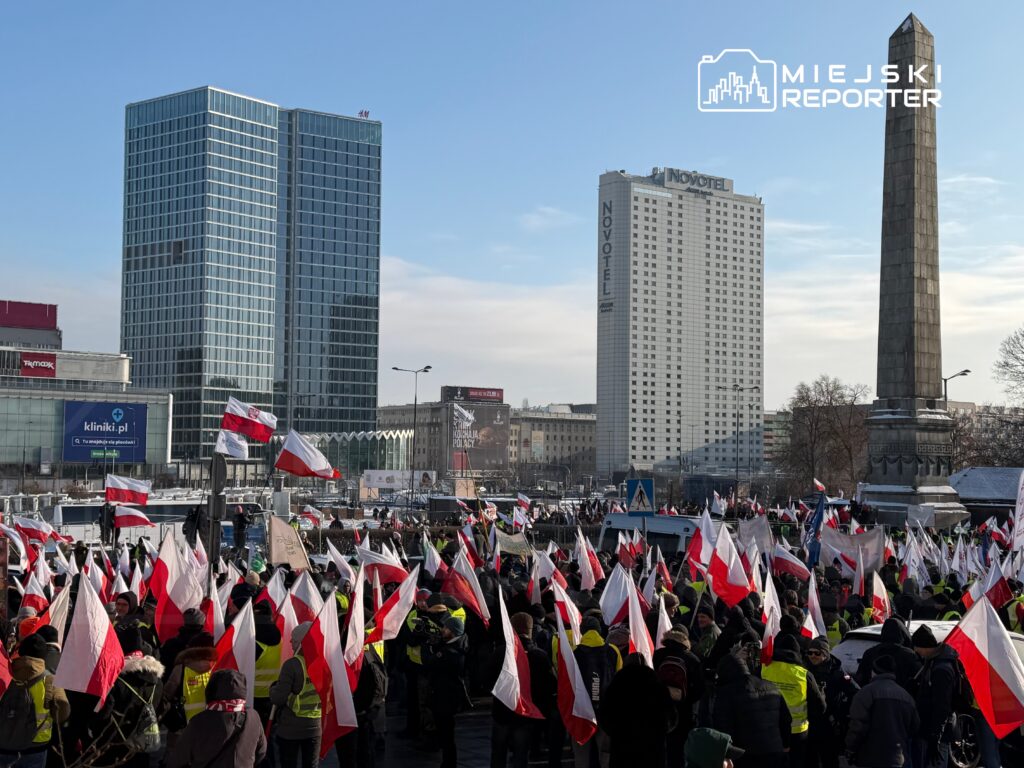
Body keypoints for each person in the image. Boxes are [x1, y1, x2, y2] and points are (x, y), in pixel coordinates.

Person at [490, 612, 555, 768]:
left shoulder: (500, 653)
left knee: (498, 755)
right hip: (525, 714)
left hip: (502, 711)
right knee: (521, 756)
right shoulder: (540, 656)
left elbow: (487, 678)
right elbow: (548, 685)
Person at [167, 669, 267, 768]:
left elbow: (177, 759)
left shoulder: (199, 721)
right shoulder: (254, 717)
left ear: (211, 690)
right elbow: (261, 753)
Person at [0, 633, 70, 768]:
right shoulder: (50, 679)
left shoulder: (5, 673)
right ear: (43, 655)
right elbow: (62, 710)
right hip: (36, 746)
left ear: (20, 652)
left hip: (4, 743)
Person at [709, 651, 790, 768]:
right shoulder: (771, 686)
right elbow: (785, 719)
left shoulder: (725, 693)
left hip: (745, 755)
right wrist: (786, 744)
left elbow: (723, 728)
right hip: (774, 751)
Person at [760, 633, 823, 768]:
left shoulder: (763, 670)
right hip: (798, 733)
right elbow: (819, 705)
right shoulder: (804, 674)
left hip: (769, 729)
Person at [599, 653, 674, 768]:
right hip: (652, 747)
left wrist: (616, 732)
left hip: (623, 747)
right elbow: (671, 716)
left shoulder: (617, 684)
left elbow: (605, 715)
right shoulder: (656, 683)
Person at [845, 655, 918, 768]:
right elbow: (914, 727)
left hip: (869, 758)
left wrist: (850, 748)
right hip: (898, 758)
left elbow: (857, 726)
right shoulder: (906, 697)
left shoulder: (865, 693)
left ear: (874, 671)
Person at [269, 623, 322, 768]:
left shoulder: (292, 665)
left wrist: (272, 689)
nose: (290, 642)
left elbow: (278, 698)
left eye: (293, 639)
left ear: (301, 642)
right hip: (315, 726)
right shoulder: (324, 662)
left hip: (291, 728)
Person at [572, 616, 622, 768]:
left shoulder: (575, 653)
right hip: (607, 711)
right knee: (606, 755)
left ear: (582, 631)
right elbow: (618, 680)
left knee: (582, 757)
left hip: (581, 712)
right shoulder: (613, 651)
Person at [422, 615, 469, 768]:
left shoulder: (452, 653)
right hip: (443, 696)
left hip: (446, 698)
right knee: (445, 734)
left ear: (454, 632)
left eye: (446, 628)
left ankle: (449, 763)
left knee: (447, 735)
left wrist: (428, 647)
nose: (443, 630)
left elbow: (430, 664)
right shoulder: (454, 646)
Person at [805, 636, 859, 768]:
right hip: (809, 722)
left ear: (825, 654)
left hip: (829, 723)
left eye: (817, 653)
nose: (813, 656)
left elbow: (856, 691)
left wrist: (842, 711)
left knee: (829, 758)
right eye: (810, 653)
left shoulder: (837, 672)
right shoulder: (805, 670)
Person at [912, 625, 960, 768]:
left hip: (938, 731)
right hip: (933, 728)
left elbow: (942, 706)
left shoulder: (941, 669)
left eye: (917, 648)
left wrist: (935, 736)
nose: (916, 652)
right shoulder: (934, 661)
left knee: (936, 762)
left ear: (925, 646)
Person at [853, 617, 921, 691]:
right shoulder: (909, 655)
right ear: (902, 633)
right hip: (901, 699)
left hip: (872, 698)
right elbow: (919, 681)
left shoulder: (870, 653)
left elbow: (860, 680)